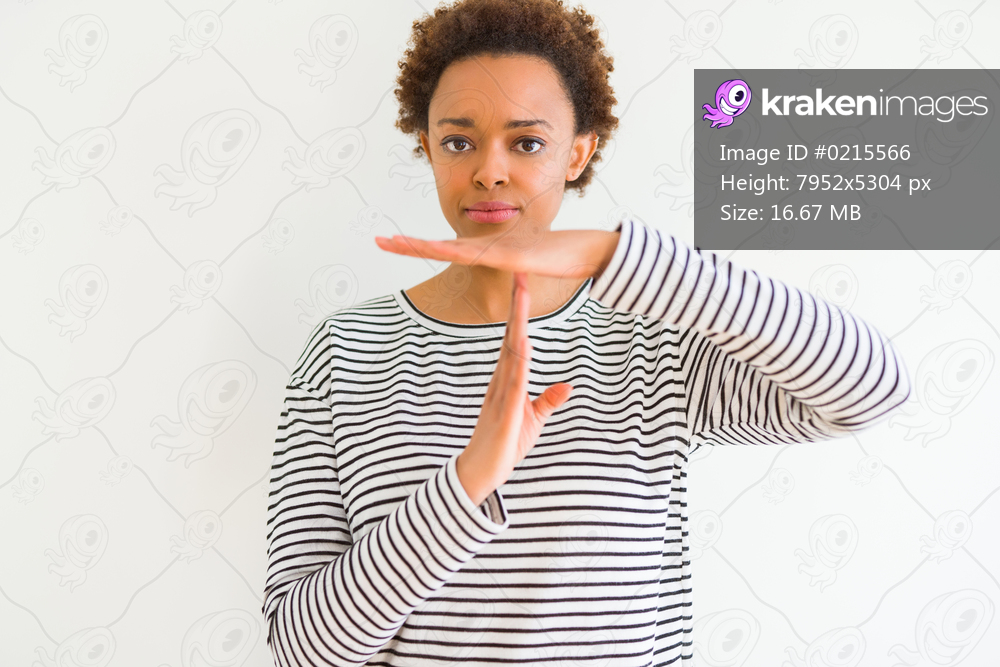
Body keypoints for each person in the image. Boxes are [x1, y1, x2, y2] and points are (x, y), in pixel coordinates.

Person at [262, 1, 912, 665]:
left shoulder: (655, 335)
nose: (490, 170)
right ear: (427, 146)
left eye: (528, 142)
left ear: (579, 152)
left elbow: (873, 388)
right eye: (459, 140)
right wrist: (465, 483)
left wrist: (614, 256)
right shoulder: (345, 353)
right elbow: (300, 650)